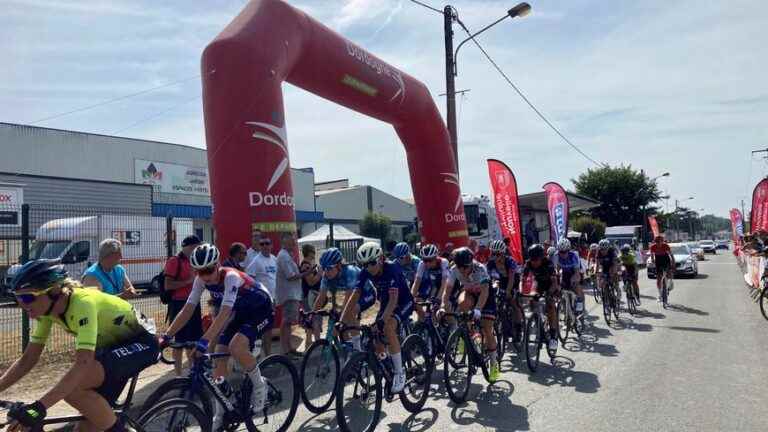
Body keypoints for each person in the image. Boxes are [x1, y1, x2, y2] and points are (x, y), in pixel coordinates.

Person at [0, 259, 158, 432]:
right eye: (17, 298)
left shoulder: (83, 303)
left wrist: (38, 408)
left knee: (73, 389)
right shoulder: (47, 312)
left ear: (53, 290)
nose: (22, 305)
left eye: (27, 297)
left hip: (141, 343)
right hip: (109, 350)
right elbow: (28, 358)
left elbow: (83, 363)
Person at [161, 243, 275, 414]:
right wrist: (167, 336)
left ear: (218, 264)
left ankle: (260, 386)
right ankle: (222, 412)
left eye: (208, 270)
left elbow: (224, 312)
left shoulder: (230, 277)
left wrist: (203, 342)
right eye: (199, 271)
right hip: (241, 311)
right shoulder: (200, 280)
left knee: (236, 346)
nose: (204, 276)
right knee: (219, 359)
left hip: (261, 308)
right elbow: (188, 309)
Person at [339, 242, 414, 393]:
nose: (369, 268)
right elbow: (355, 296)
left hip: (403, 302)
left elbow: (394, 301)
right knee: (374, 336)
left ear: (380, 259)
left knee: (387, 327)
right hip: (387, 304)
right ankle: (386, 362)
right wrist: (341, 321)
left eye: (372, 263)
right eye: (364, 265)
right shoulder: (366, 272)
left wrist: (381, 322)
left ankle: (400, 372)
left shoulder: (392, 269)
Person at [438, 247, 500, 382]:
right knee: (462, 304)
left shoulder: (480, 268)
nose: (463, 271)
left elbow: (485, 292)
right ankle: (469, 335)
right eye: (460, 267)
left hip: (485, 296)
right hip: (470, 293)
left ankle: (494, 364)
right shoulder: (454, 269)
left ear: (471, 263)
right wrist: (443, 306)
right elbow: (447, 291)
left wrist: (478, 309)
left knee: (487, 328)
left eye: (465, 267)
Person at [163, 235, 204, 376]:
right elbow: (168, 285)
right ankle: (178, 374)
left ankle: (193, 372)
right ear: (189, 247)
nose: (197, 249)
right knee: (179, 342)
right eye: (196, 246)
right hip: (179, 304)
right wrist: (188, 281)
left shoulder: (195, 261)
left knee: (193, 341)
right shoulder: (174, 261)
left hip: (194, 303)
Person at [276, 233, 310, 357]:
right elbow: (291, 276)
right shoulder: (283, 256)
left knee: (289, 322)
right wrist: (307, 273)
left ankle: (289, 348)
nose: (294, 243)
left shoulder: (287, 255)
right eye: (291, 241)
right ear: (284, 242)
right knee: (286, 322)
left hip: (292, 294)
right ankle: (285, 350)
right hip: (289, 295)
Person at [521, 244, 560, 351]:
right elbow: (523, 280)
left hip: (550, 286)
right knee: (532, 303)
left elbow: (554, 282)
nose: (534, 262)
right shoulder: (528, 264)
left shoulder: (548, 264)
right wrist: (521, 292)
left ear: (542, 258)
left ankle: (553, 336)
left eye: (536, 260)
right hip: (538, 285)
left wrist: (550, 293)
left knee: (550, 305)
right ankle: (539, 325)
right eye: (532, 259)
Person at [312, 248, 360, 334]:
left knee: (349, 313)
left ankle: (357, 346)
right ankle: (346, 344)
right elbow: (321, 298)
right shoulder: (326, 276)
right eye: (324, 268)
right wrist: (312, 315)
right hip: (353, 296)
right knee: (341, 328)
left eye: (329, 268)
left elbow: (349, 300)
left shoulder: (350, 272)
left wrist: (341, 318)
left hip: (366, 294)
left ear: (339, 265)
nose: (326, 272)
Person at [486, 239, 523, 341]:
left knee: (513, 302)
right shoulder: (491, 263)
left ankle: (519, 329)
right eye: (493, 254)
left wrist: (508, 292)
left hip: (513, 281)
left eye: (497, 254)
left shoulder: (510, 261)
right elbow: (488, 278)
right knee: (498, 303)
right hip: (502, 280)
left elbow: (511, 279)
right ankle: (504, 326)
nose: (495, 257)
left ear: (502, 254)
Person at [411, 244, 451, 322]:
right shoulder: (422, 264)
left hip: (448, 285)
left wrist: (439, 299)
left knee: (444, 305)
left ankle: (452, 325)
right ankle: (424, 324)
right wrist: (410, 297)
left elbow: (444, 283)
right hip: (435, 285)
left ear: (436, 257)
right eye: (425, 260)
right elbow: (417, 282)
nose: (427, 263)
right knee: (419, 302)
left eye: (430, 260)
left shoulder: (443, 262)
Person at [552, 238, 585, 313]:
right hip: (565, 272)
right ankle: (565, 304)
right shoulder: (556, 255)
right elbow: (556, 270)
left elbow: (577, 273)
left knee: (576, 285)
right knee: (560, 286)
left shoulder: (574, 256)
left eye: (565, 252)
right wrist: (557, 282)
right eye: (561, 252)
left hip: (575, 271)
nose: (563, 254)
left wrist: (573, 281)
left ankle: (580, 304)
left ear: (568, 250)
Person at [300, 244, 322, 346]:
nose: (315, 253)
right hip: (310, 296)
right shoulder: (306, 265)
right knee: (315, 319)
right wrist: (320, 274)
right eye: (313, 251)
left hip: (311, 296)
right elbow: (310, 282)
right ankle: (318, 343)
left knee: (311, 319)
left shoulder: (309, 264)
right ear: (309, 253)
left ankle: (309, 344)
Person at [650, 235, 675, 301]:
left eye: (660, 242)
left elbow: (671, 255)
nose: (658, 243)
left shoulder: (666, 245)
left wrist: (673, 262)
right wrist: (652, 262)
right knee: (658, 279)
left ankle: (670, 283)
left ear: (662, 241)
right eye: (657, 242)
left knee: (668, 273)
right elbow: (652, 255)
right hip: (658, 260)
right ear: (655, 242)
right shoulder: (653, 247)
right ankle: (660, 295)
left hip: (666, 259)